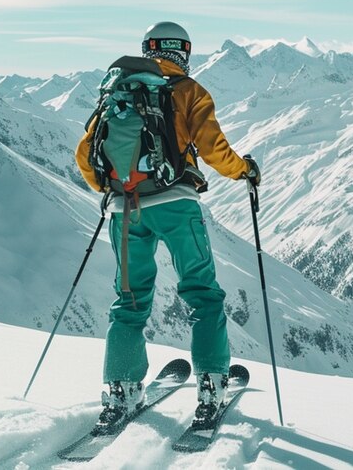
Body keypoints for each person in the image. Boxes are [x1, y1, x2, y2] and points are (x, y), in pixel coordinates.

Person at [74, 21, 261, 427]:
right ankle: (212, 385)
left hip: (125, 211)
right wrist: (244, 170)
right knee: (202, 294)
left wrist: (115, 187)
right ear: (185, 53)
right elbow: (213, 148)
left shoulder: (117, 92)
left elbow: (85, 157)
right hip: (177, 205)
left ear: (147, 48)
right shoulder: (188, 91)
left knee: (129, 301)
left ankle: (120, 389)